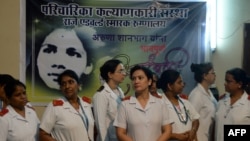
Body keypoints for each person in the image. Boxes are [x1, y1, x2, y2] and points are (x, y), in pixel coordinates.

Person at [114, 65, 173, 141]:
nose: (136, 81)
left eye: (140, 78)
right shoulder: (125, 105)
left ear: (149, 81)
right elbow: (120, 133)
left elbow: (167, 130)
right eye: (133, 79)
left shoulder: (161, 103)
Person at [39, 69, 94, 141]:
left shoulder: (86, 104)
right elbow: (42, 134)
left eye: (71, 82)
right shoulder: (55, 107)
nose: (67, 86)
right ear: (61, 88)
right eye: (63, 84)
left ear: (78, 85)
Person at [157, 69, 200, 141]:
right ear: (169, 86)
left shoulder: (186, 102)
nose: (183, 84)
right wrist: (176, 136)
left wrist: (193, 130)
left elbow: (196, 119)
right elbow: (156, 130)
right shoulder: (159, 104)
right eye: (179, 82)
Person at [92, 59, 126, 141]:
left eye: (124, 71)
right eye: (120, 71)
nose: (124, 74)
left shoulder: (120, 91)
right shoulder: (101, 95)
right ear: (110, 74)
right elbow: (100, 125)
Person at [215, 68, 250, 141]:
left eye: (228, 81)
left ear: (239, 84)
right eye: (225, 81)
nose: (225, 84)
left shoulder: (247, 103)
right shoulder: (222, 101)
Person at [188, 62, 217, 141]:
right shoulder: (196, 95)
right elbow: (191, 120)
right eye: (213, 73)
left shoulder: (209, 93)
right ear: (205, 76)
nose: (215, 75)